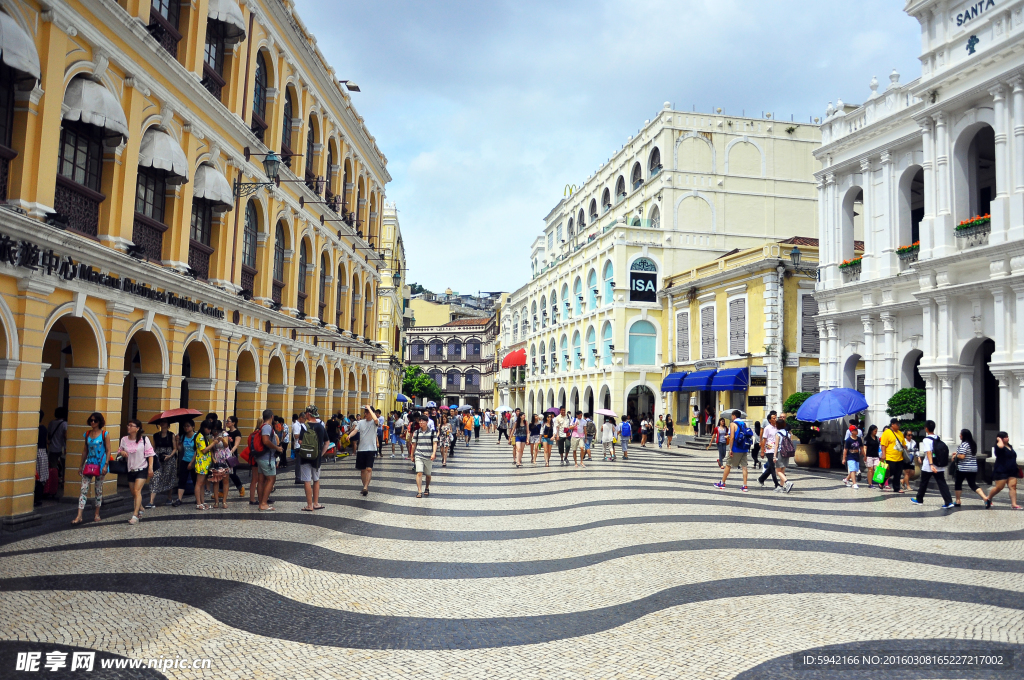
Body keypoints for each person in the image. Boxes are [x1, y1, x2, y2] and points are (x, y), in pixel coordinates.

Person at [73, 412, 109, 525]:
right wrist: (80, 465)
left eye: (95, 421)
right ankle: (79, 516)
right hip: (89, 463)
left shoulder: (104, 434)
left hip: (100, 464)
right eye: (91, 420)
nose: (93, 422)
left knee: (98, 490)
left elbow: (108, 450)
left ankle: (97, 513)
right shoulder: (87, 434)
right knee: (83, 490)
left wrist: (106, 464)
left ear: (100, 422)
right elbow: (85, 450)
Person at [118, 418, 155, 524]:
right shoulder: (124, 439)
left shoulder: (144, 439)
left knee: (137, 491)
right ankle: (141, 507)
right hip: (131, 469)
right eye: (128, 425)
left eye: (131, 425)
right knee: (133, 493)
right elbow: (120, 451)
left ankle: (135, 515)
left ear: (137, 428)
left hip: (142, 468)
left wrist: (150, 468)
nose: (128, 427)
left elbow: (150, 454)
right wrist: (122, 453)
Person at [912, 420, 954, 508]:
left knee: (923, 482)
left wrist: (931, 465)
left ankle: (919, 499)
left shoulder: (926, 440)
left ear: (926, 429)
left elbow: (929, 452)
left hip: (928, 465)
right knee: (942, 483)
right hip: (939, 465)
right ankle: (949, 502)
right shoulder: (937, 438)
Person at [298, 405, 328, 511]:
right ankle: (316, 503)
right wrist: (321, 454)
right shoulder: (321, 427)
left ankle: (309, 505)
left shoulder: (304, 426)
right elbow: (327, 442)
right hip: (316, 457)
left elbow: (300, 441)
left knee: (307, 480)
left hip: (305, 456)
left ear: (308, 414)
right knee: (316, 479)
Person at [715, 410, 751, 491]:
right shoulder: (744, 424)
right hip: (744, 447)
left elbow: (732, 437)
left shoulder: (732, 424)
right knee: (744, 466)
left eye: (732, 416)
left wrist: (730, 449)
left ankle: (722, 483)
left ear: (734, 416)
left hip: (736, 448)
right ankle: (745, 485)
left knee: (728, 465)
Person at [986, 431, 1021, 509]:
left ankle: (1014, 504)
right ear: (1000, 438)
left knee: (1013, 486)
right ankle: (988, 498)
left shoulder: (1010, 446)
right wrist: (999, 440)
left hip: (1012, 470)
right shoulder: (998, 447)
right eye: (1005, 437)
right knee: (999, 487)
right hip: (1001, 470)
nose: (1007, 438)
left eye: (1007, 436)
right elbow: (1001, 446)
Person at [953, 428, 988, 507]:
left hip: (963, 468)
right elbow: (967, 453)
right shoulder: (972, 444)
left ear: (963, 435)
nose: (959, 436)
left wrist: (955, 456)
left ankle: (958, 501)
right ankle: (985, 498)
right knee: (972, 484)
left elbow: (962, 456)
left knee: (958, 484)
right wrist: (958, 453)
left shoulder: (964, 444)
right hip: (973, 467)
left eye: (960, 434)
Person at [148, 420, 178, 507]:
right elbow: (154, 447)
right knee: (155, 476)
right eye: (161, 422)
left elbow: (174, 448)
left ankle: (169, 497)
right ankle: (151, 501)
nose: (162, 424)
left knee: (169, 476)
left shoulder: (171, 435)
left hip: (169, 457)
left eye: (164, 422)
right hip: (158, 456)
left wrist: (170, 456)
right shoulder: (156, 435)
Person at [355, 405, 381, 496]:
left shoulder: (374, 423)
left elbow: (376, 420)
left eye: (367, 412)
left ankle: (366, 487)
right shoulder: (361, 422)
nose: (365, 414)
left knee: (369, 468)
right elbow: (355, 430)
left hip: (371, 448)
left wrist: (370, 408)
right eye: (365, 412)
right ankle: (364, 486)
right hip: (362, 448)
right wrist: (349, 436)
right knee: (362, 470)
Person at [879, 418, 909, 493]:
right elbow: (883, 445)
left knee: (898, 473)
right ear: (892, 424)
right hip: (890, 456)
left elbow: (903, 443)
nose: (899, 426)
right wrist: (883, 454)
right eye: (897, 424)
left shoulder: (900, 433)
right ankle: (882, 482)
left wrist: (906, 450)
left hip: (899, 457)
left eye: (899, 424)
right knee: (891, 471)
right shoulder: (887, 433)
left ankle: (897, 488)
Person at [190, 421, 213, 510]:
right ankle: (198, 503)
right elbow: (203, 450)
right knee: (199, 483)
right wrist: (213, 443)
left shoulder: (205, 437)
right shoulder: (200, 437)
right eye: (208, 428)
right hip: (201, 463)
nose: (209, 430)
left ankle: (202, 501)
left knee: (202, 483)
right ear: (204, 427)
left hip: (206, 463)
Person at [175, 420, 200, 507]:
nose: (186, 428)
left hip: (194, 461)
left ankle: (198, 498)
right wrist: (178, 442)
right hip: (184, 460)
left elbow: (197, 450)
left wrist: (191, 463)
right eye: (185, 426)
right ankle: (179, 499)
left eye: (188, 426)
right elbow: (180, 449)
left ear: (193, 426)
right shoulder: (182, 436)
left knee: (195, 480)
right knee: (182, 479)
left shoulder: (196, 436)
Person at [412, 418, 437, 498]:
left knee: (428, 475)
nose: (421, 422)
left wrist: (433, 453)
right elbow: (414, 444)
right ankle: (419, 491)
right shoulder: (417, 432)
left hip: (429, 456)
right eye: (420, 421)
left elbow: (435, 443)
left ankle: (427, 487)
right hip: (419, 455)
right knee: (419, 472)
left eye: (423, 421)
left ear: (427, 422)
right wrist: (412, 455)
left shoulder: (432, 432)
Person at [224, 416, 245, 498]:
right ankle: (222, 491)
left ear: (233, 423)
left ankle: (240, 488)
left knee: (232, 474)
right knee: (224, 473)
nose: (227, 423)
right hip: (225, 455)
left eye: (228, 421)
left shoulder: (237, 433)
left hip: (232, 456)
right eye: (227, 421)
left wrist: (230, 452)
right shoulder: (226, 433)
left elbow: (236, 445)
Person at [758, 412, 780, 490]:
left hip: (777, 449)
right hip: (769, 450)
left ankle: (761, 479)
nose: (775, 419)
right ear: (770, 420)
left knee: (771, 467)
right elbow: (764, 440)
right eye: (773, 418)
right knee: (773, 467)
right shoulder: (767, 428)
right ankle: (776, 484)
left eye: (776, 417)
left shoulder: (778, 427)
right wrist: (762, 451)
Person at [842, 423, 863, 489]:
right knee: (852, 470)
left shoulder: (859, 439)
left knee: (855, 470)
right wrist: (844, 458)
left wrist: (864, 455)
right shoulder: (848, 440)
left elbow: (861, 447)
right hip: (850, 456)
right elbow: (845, 449)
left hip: (856, 455)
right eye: (855, 430)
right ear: (851, 431)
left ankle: (846, 479)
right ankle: (854, 483)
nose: (856, 431)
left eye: (857, 430)